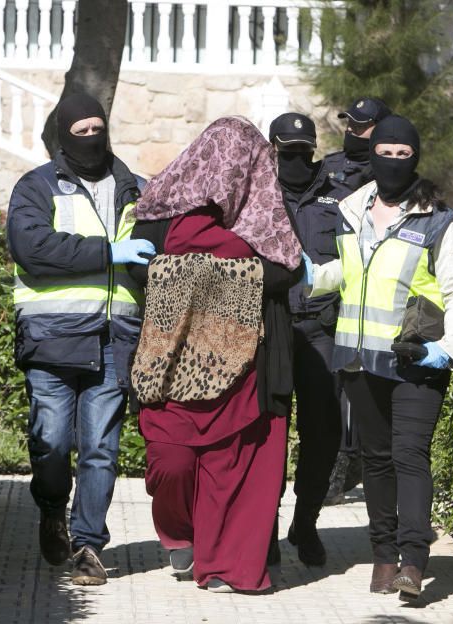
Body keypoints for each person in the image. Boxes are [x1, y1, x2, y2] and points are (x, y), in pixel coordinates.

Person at [127, 117, 304, 593]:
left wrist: (198, 265)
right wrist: (229, 259)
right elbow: (143, 263)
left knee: (233, 467)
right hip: (169, 364)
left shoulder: (265, 214)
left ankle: (226, 566)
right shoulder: (159, 211)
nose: (226, 171)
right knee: (171, 462)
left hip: (245, 364)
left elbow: (284, 272)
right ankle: (180, 536)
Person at [305, 114, 453, 599]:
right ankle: (383, 557)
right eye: (387, 153)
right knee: (375, 460)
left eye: (405, 155)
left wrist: (448, 347)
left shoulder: (438, 219)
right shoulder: (352, 211)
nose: (395, 162)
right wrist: (307, 275)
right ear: (373, 153)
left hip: (416, 360)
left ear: (416, 159)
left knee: (409, 456)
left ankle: (413, 561)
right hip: (361, 359)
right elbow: (350, 272)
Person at [6, 94, 154, 586]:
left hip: (115, 339)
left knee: (101, 449)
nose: (92, 137)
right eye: (81, 130)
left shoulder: (137, 188)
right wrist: (109, 251)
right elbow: (33, 249)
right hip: (51, 337)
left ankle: (88, 543)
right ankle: (52, 509)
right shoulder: (37, 186)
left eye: (99, 127)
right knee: (50, 441)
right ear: (63, 134)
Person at [267, 112, 342, 567]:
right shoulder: (257, 194)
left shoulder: (339, 197)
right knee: (269, 432)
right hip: (271, 327)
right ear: (272, 148)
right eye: (286, 150)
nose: (296, 158)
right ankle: (265, 527)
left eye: (303, 149)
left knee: (324, 432)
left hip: (320, 328)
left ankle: (306, 522)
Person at [320, 97, 392, 504]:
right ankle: (335, 464)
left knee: (357, 391)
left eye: (362, 126)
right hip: (325, 290)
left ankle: (349, 465)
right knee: (329, 390)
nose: (352, 130)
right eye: (350, 123)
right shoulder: (328, 168)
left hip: (367, 297)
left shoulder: (390, 176)